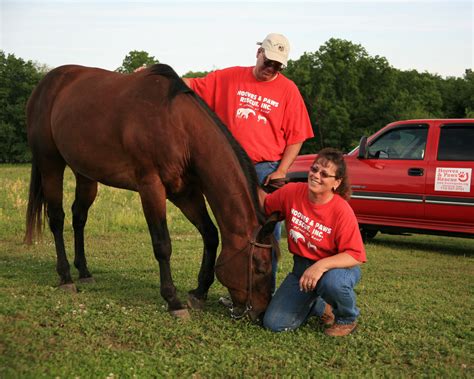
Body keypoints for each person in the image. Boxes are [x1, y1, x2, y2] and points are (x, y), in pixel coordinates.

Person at [183, 33, 314, 292]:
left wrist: (282, 171)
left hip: (264, 168)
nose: (271, 69)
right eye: (268, 62)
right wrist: (157, 76)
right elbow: (192, 85)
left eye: (277, 65)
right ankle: (236, 287)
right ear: (258, 53)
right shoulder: (229, 77)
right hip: (228, 168)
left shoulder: (288, 91)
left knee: (266, 230)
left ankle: (265, 292)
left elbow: (296, 137)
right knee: (231, 226)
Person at [262, 148, 366, 336]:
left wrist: (320, 266)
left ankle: (346, 319)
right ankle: (320, 305)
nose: (316, 176)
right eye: (314, 169)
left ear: (336, 183)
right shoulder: (291, 192)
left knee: (332, 283)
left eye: (324, 174)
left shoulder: (341, 210)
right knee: (274, 324)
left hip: (336, 269)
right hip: (301, 270)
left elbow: (355, 255)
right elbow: (265, 204)